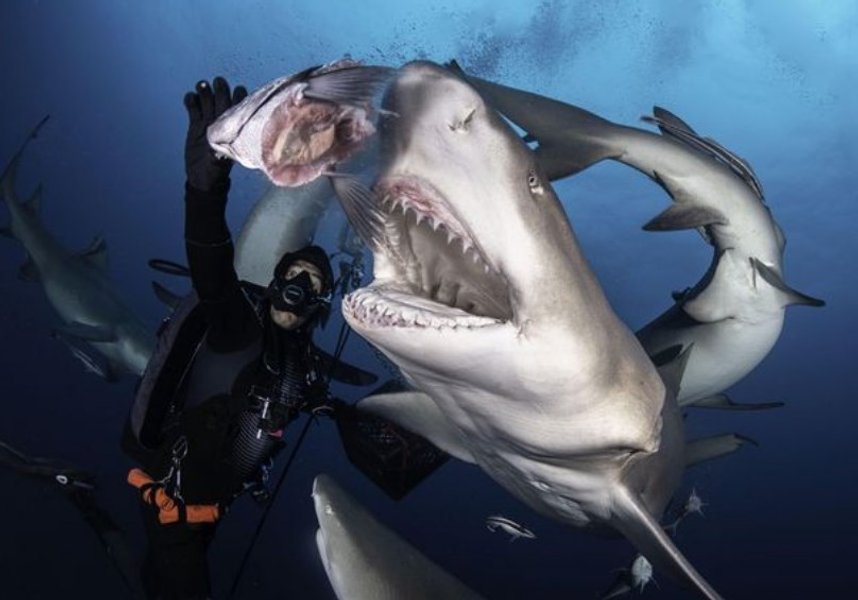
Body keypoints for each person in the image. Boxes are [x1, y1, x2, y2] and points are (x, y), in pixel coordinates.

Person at [124, 76, 339, 600]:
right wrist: (205, 188)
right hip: (171, 505)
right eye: (292, 278)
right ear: (274, 282)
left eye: (311, 288)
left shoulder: (301, 369)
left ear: (319, 307)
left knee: (157, 580)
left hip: (207, 514)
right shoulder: (236, 327)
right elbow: (211, 260)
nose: (297, 291)